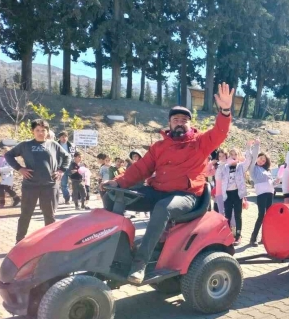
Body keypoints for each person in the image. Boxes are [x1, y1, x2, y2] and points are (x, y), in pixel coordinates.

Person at [100, 83, 234, 284]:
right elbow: (141, 168)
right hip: (158, 190)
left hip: (186, 196)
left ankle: (140, 264)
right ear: (169, 123)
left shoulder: (200, 142)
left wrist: (224, 111)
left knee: (163, 208)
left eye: (184, 120)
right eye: (175, 119)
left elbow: (220, 132)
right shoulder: (159, 146)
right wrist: (118, 182)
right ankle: (116, 252)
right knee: (112, 196)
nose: (180, 123)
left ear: (190, 124)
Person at [5, 119, 70, 243]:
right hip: (30, 186)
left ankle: (49, 242)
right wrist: (19, 168)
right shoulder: (25, 145)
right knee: (25, 214)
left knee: (50, 216)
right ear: (32, 131)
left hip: (49, 186)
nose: (40, 133)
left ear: (47, 131)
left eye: (43, 130)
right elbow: (8, 155)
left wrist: (61, 170)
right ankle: (19, 241)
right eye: (37, 130)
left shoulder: (53, 145)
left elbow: (67, 156)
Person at [245, 138, 277, 246]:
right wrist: (256, 145)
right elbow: (252, 157)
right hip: (261, 194)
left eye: (264, 161)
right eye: (260, 158)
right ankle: (253, 238)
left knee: (268, 216)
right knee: (261, 215)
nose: (261, 161)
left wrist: (277, 181)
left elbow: (272, 183)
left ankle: (264, 238)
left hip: (270, 193)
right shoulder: (253, 168)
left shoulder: (265, 170)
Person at [218, 147, 248, 245]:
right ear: (229, 156)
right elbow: (218, 177)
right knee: (227, 216)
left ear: (238, 156)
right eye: (232, 155)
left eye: (235, 155)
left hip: (237, 194)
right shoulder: (225, 167)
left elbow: (249, 160)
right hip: (228, 194)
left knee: (238, 215)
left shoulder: (241, 166)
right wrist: (221, 165)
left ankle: (238, 236)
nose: (234, 157)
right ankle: (228, 235)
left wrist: (249, 147)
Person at [57, 131, 76, 205]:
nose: (64, 138)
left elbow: (74, 156)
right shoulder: (56, 145)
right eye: (62, 137)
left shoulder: (71, 145)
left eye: (65, 136)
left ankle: (75, 198)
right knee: (64, 184)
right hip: (61, 167)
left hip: (71, 166)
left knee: (75, 182)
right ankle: (67, 199)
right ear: (59, 138)